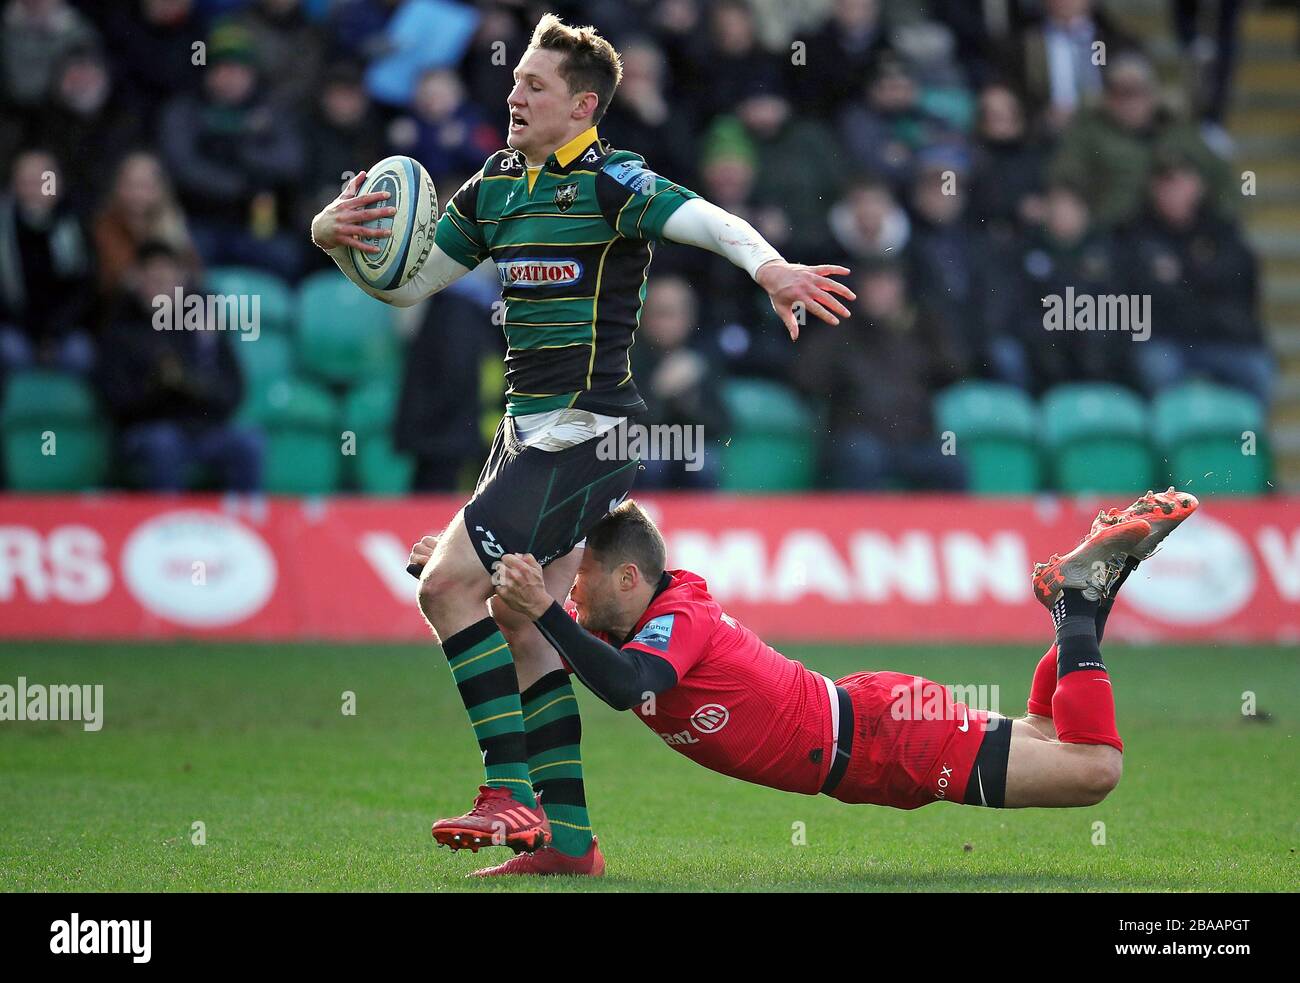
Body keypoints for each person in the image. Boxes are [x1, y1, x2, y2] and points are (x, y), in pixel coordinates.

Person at [309, 13, 854, 866]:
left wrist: (770, 267)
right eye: (516, 79)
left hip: (591, 434)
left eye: (534, 85)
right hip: (524, 436)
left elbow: (708, 219)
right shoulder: (494, 186)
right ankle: (567, 840)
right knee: (519, 621)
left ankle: (508, 795)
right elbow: (411, 285)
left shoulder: (613, 181)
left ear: (583, 104)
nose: (513, 93)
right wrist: (332, 240)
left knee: (446, 587)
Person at [437, 489, 1199, 876]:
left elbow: (621, 682)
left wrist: (547, 611)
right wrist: (473, 579)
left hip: (888, 739)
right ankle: (1086, 595)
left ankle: (1077, 601)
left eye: (583, 582)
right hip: (874, 721)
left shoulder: (679, 615)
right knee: (1045, 734)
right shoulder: (627, 623)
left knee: (1094, 768)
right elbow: (555, 650)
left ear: (630, 577)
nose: (571, 598)